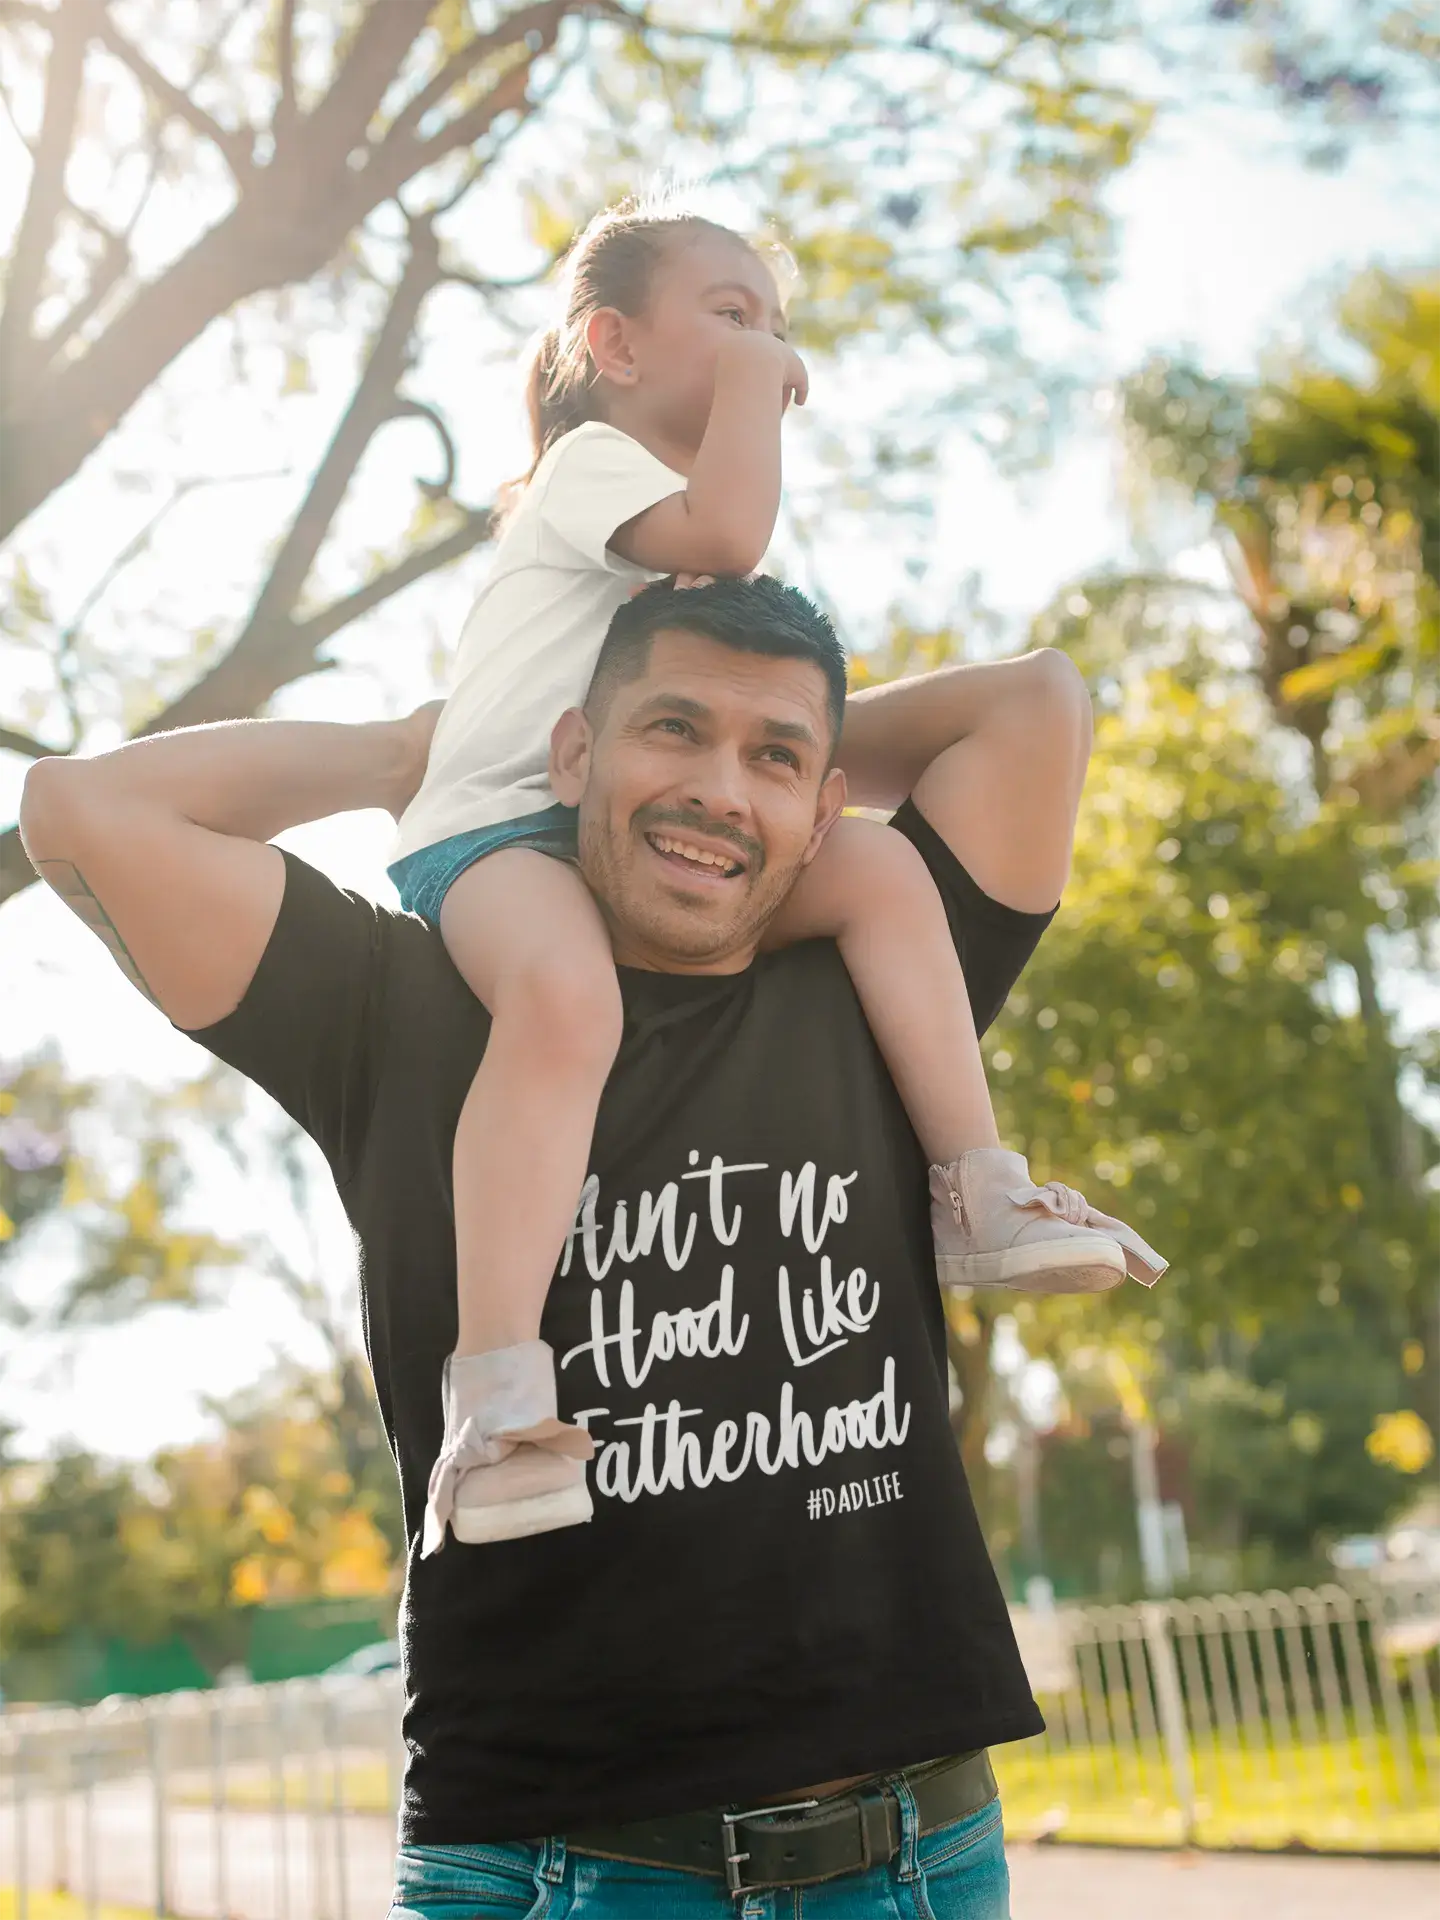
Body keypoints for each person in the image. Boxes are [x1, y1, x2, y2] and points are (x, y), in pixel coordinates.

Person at [21, 572, 1160, 1917]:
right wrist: (423, 754)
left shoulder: (883, 975)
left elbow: (1033, 705)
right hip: (552, 1868)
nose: (718, 790)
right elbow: (80, 812)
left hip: (912, 1856)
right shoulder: (403, 1004)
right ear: (573, 752)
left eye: (774, 759)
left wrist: (772, 758)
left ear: (822, 810)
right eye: (669, 729)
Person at [384, 201, 1164, 1549]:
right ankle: (499, 1397)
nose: (767, 349)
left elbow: (748, 660)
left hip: (616, 831)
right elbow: (732, 537)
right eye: (730, 315)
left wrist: (797, 772)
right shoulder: (588, 467)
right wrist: (758, 385)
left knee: (865, 869)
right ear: (610, 342)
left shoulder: (671, 543)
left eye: (777, 327)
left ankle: (978, 1185)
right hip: (499, 836)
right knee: (567, 1000)